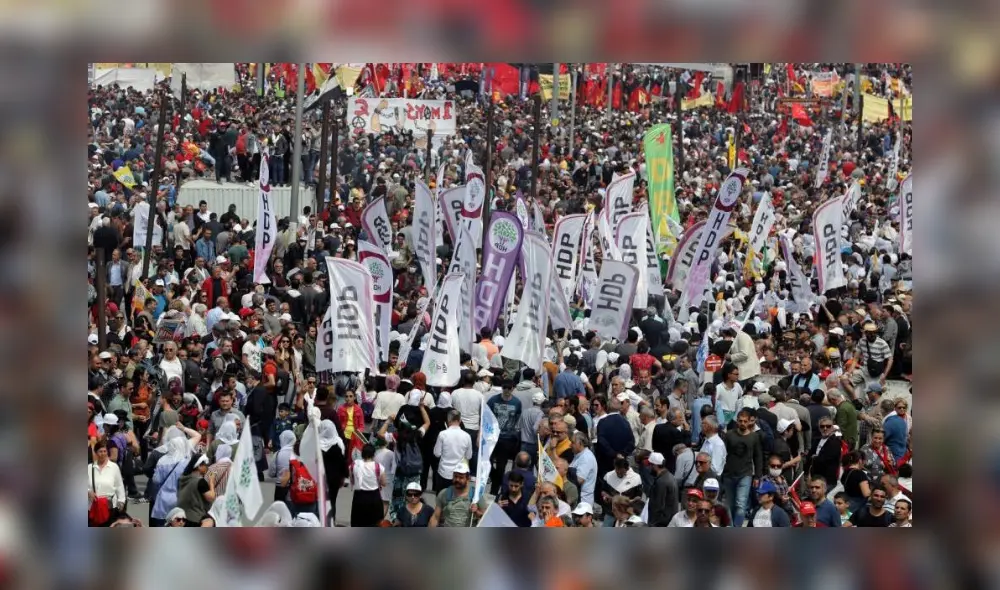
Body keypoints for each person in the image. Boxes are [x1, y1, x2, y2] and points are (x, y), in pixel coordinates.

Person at [721, 407, 763, 527]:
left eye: (745, 421)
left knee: (740, 506)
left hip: (745, 474)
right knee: (730, 505)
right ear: (737, 421)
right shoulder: (729, 435)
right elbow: (723, 454)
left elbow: (758, 457)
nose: (742, 423)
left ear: (750, 421)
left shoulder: (754, 437)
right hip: (729, 474)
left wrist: (758, 476)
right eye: (740, 421)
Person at [433, 409, 473, 492]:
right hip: (459, 473)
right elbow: (469, 456)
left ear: (448, 420)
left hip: (444, 472)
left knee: (442, 498)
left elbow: (437, 453)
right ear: (460, 420)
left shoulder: (442, 434)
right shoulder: (467, 436)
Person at [89, 440, 126, 526]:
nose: (103, 454)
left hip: (110, 507)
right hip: (93, 507)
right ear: (95, 453)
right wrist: (88, 492)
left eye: (105, 451)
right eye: (100, 451)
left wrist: (121, 501)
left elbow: (119, 485)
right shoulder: (89, 467)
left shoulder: (114, 467)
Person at [350, 444, 388, 527]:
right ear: (373, 454)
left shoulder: (355, 465)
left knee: (358, 522)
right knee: (374, 523)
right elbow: (384, 483)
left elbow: (352, 480)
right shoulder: (378, 466)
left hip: (359, 497)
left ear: (362, 453)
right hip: (374, 498)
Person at [176, 454, 217, 526]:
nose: (207, 467)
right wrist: (211, 482)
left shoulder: (184, 478)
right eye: (205, 465)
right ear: (199, 466)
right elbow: (211, 498)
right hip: (195, 518)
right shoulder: (200, 482)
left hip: (182, 516)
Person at [806, 416, 842, 489]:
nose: (825, 428)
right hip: (815, 478)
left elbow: (826, 459)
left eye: (828, 426)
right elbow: (809, 456)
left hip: (827, 480)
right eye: (822, 426)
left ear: (832, 428)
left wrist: (815, 458)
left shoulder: (835, 441)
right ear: (819, 428)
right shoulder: (816, 440)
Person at [644, 452, 679, 527]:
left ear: (655, 465)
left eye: (650, 465)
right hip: (668, 520)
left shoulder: (661, 482)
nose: (648, 467)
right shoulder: (670, 476)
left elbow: (658, 506)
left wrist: (652, 524)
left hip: (661, 523)